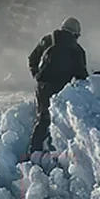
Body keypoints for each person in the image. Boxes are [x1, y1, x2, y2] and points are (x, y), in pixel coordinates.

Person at [26, 17, 89, 154]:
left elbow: (32, 58)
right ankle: (55, 153)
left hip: (42, 87)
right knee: (58, 122)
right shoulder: (77, 50)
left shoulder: (48, 40)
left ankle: (34, 151)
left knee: (43, 119)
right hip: (61, 90)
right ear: (76, 34)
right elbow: (81, 76)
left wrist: (37, 75)